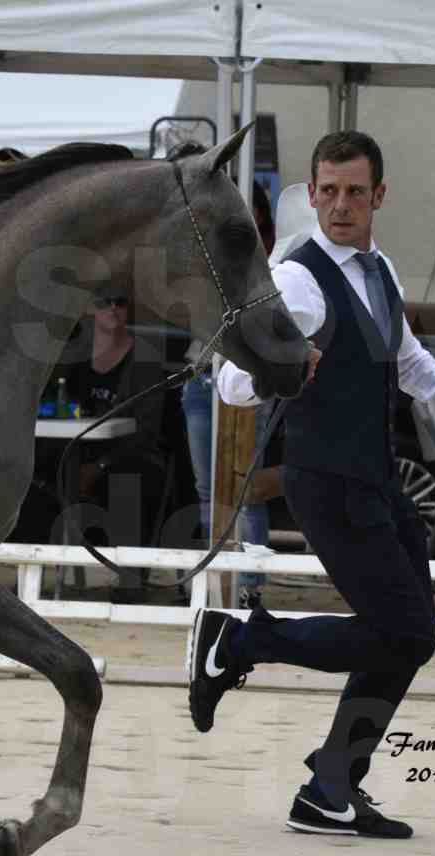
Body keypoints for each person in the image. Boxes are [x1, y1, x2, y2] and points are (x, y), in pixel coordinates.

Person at [186, 130, 435, 838]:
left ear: (378, 196)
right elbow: (231, 381)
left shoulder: (380, 270)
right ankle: (240, 643)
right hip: (327, 480)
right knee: (401, 631)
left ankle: (329, 787)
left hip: (375, 480)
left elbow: (408, 360)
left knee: (407, 637)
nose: (338, 205)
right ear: (312, 193)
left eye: (353, 192)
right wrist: (283, 364)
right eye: (327, 191)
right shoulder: (298, 280)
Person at [181, 177, 280, 600]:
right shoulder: (210, 252)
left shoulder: (271, 259)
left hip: (245, 377)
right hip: (203, 373)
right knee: (208, 488)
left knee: (245, 488)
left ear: (258, 213)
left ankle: (249, 586)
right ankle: (215, 580)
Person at [58, 294, 170, 601]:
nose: (112, 309)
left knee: (130, 479)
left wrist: (100, 466)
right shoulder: (72, 357)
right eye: (103, 301)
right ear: (87, 309)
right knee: (29, 475)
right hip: (72, 452)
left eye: (120, 302)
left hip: (129, 453)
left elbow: (147, 429)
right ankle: (19, 568)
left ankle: (130, 581)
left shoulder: (144, 359)